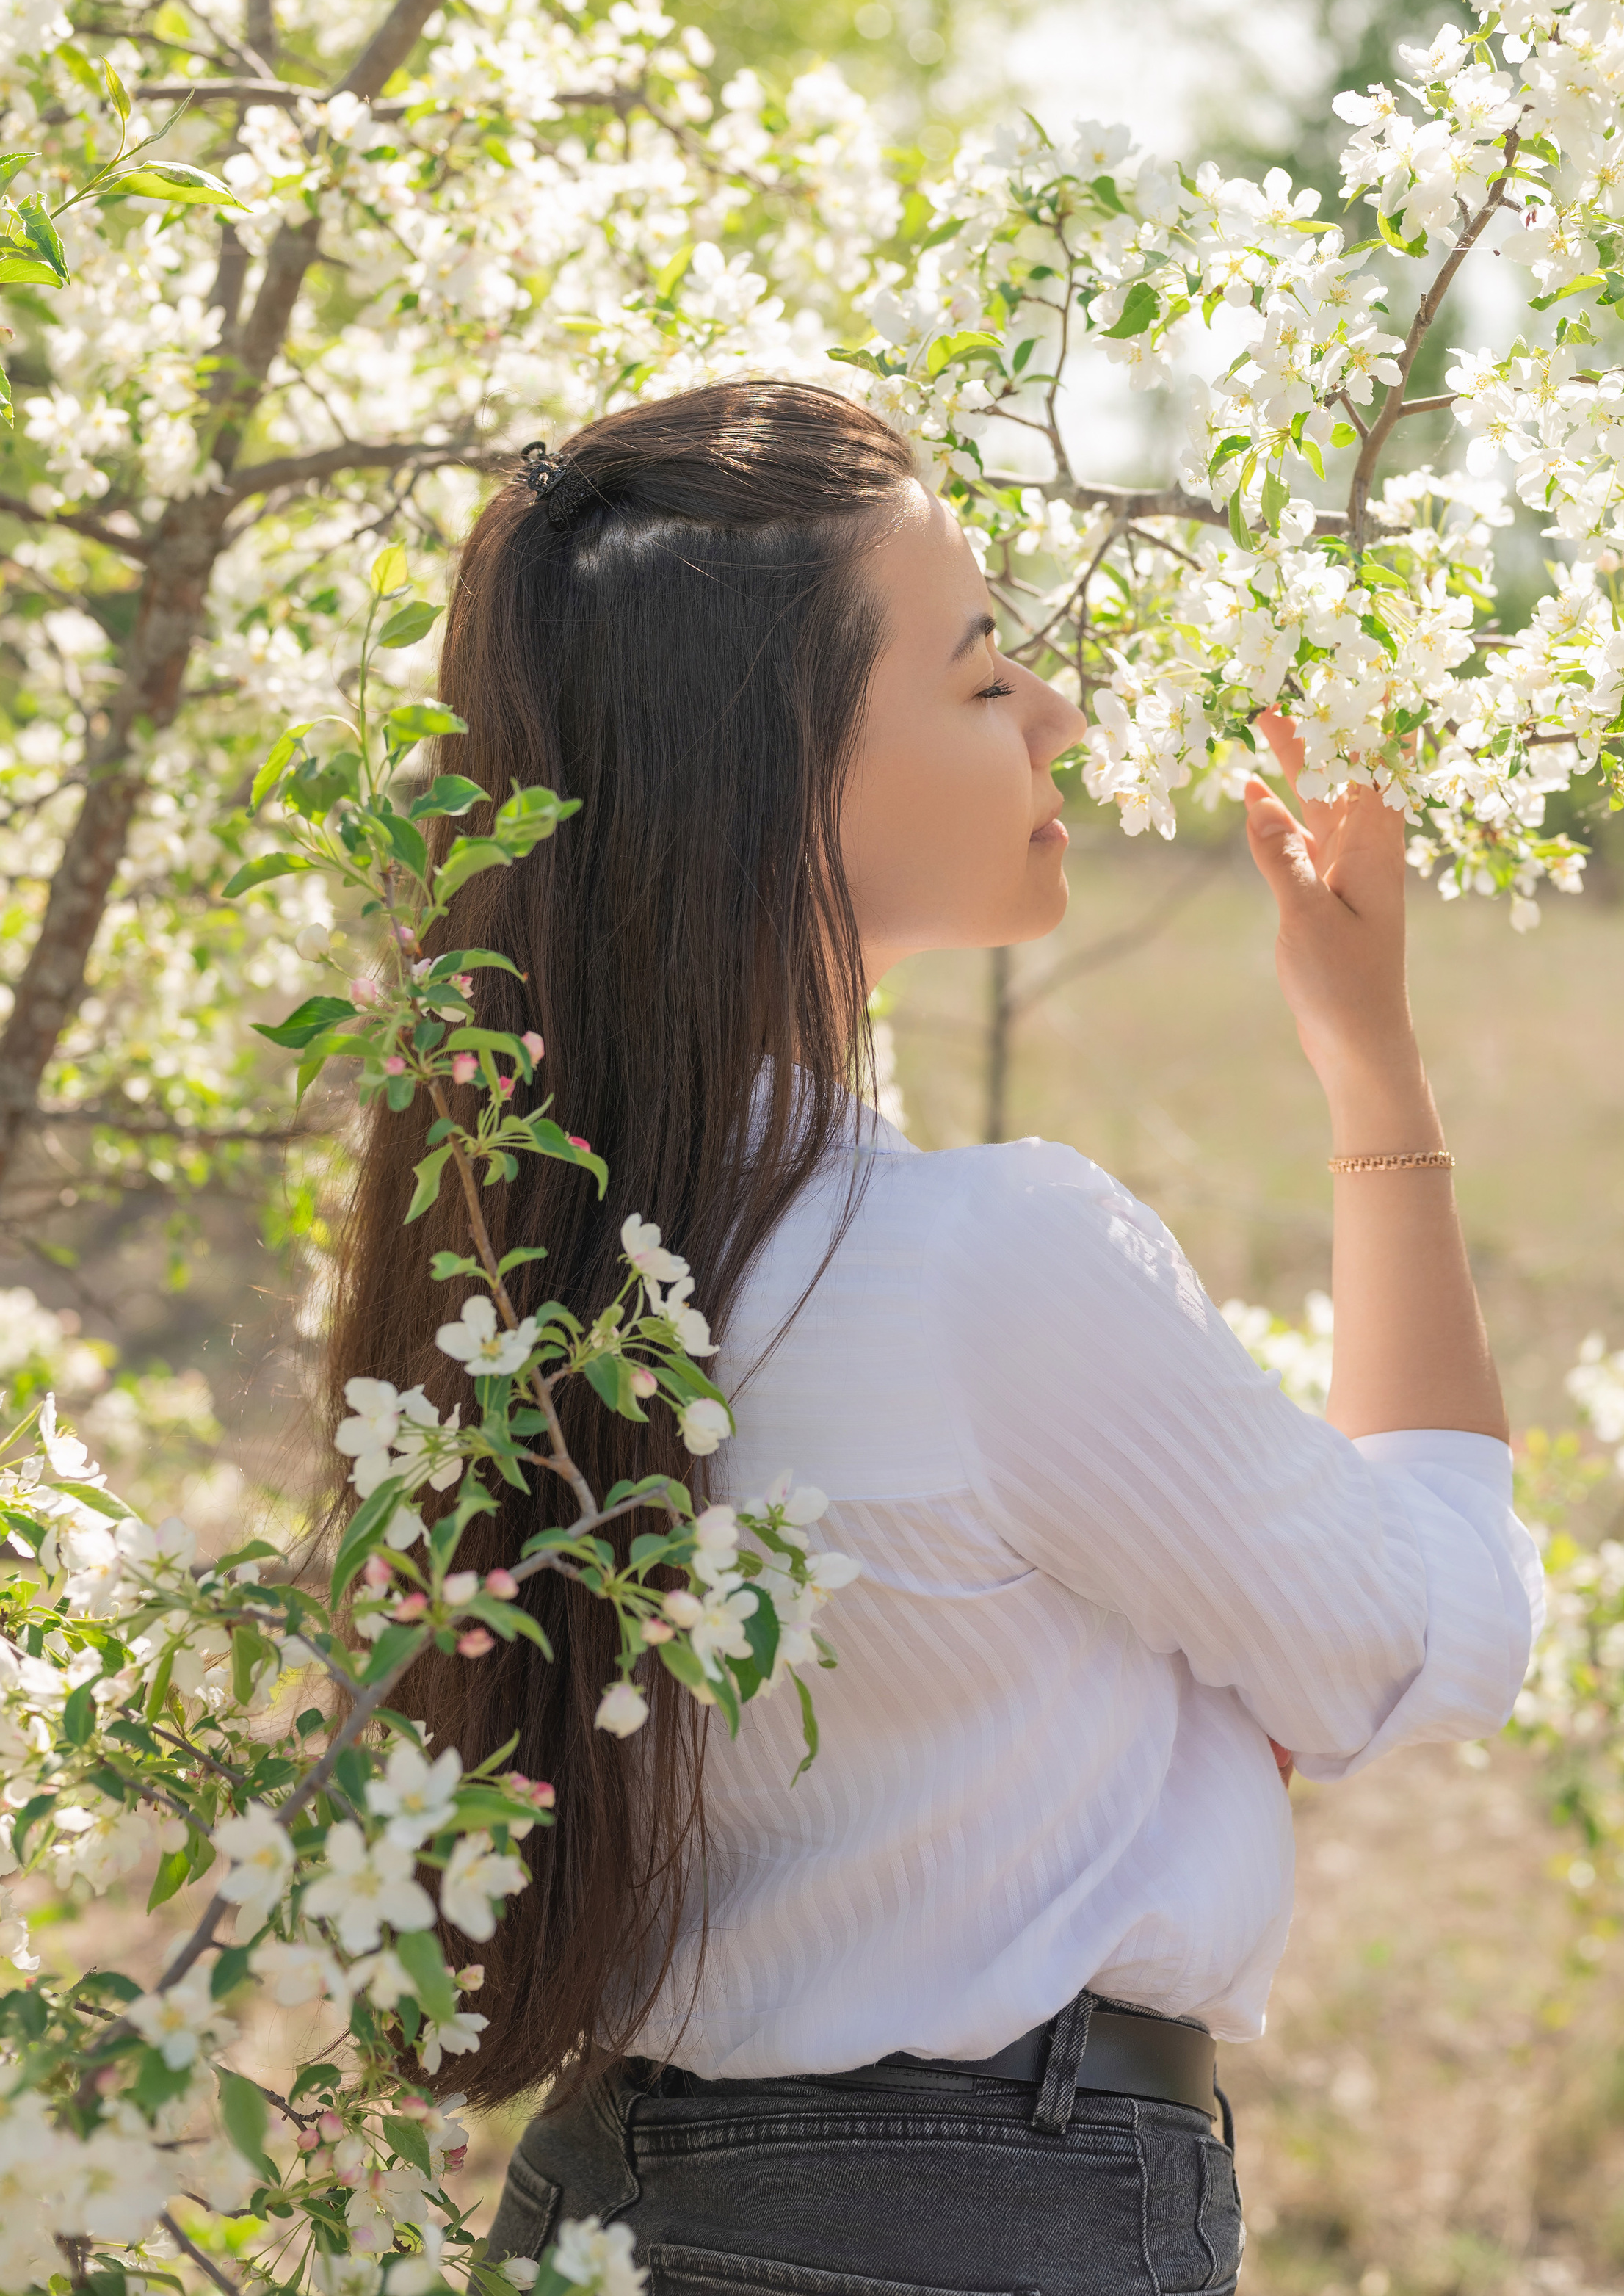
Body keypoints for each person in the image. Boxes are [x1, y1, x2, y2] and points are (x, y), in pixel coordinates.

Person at [325, 379, 1543, 2296]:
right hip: (977, 2218)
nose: (1057, 715)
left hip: (596, 2208)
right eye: (982, 682)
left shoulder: (500, 1266)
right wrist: (1372, 1070)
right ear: (780, 774)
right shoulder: (982, 1265)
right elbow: (1434, 1635)